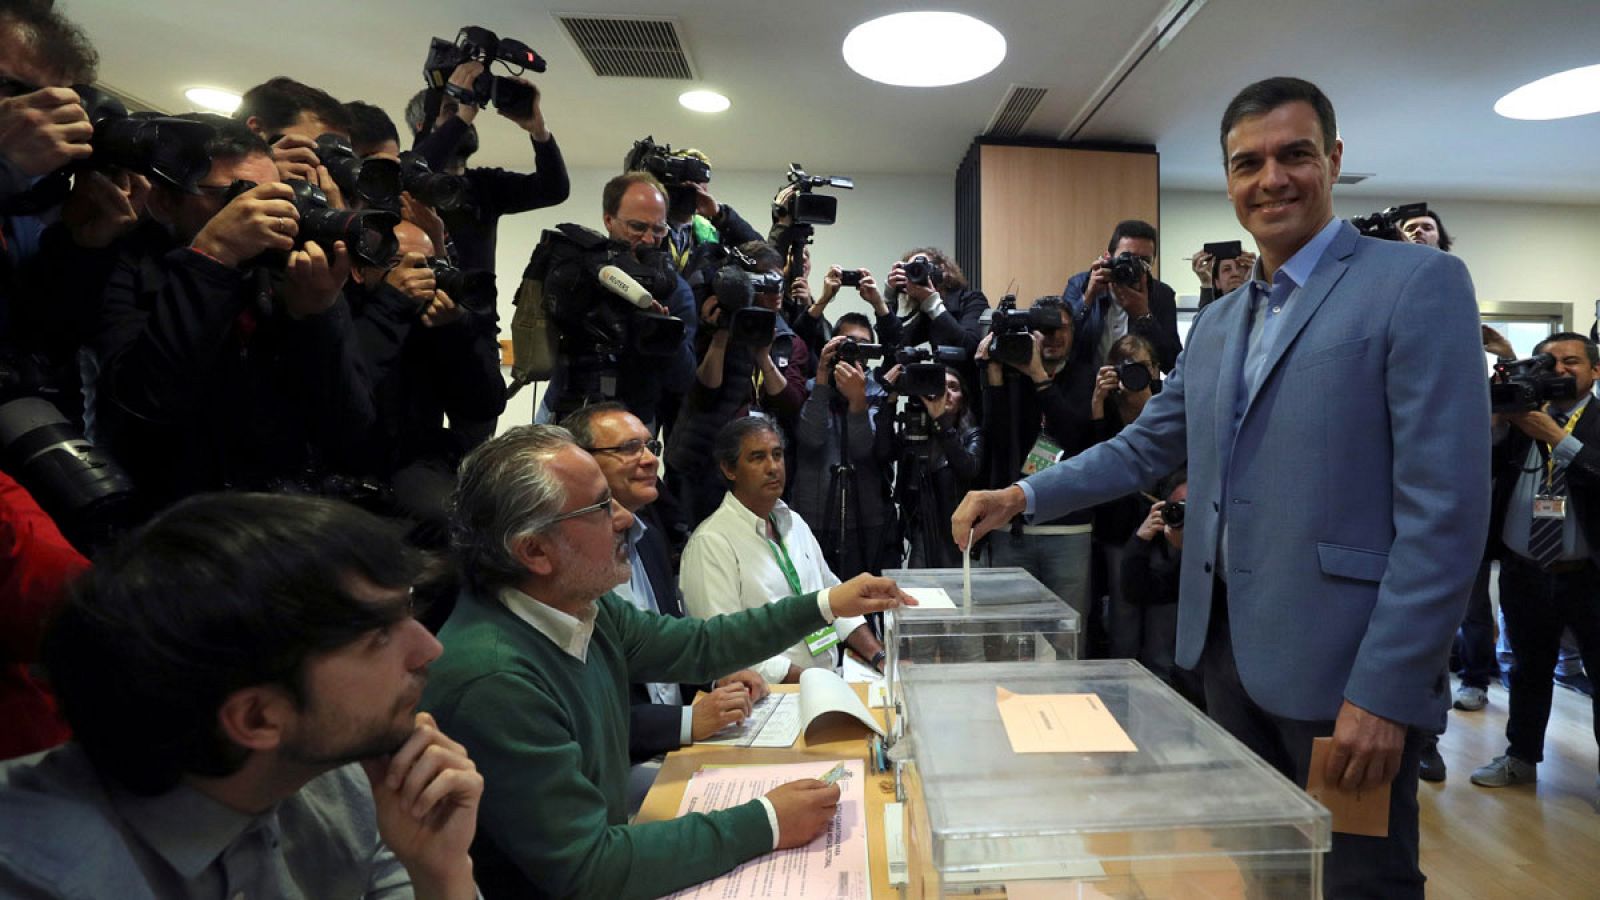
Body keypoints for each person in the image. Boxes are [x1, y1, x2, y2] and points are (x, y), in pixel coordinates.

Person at [954, 76, 1489, 897]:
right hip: (1224, 657)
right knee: (1266, 870)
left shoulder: (1415, 285)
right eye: (1249, 163)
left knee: (1358, 881)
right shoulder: (1223, 322)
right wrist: (1022, 496)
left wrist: (1386, 690)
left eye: (1294, 155)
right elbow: (1141, 450)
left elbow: (1445, 510)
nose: (1271, 179)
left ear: (1334, 160)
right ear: (1231, 179)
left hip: (1344, 673)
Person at [426, 424, 909, 899]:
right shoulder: (495, 680)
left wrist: (826, 602)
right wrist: (765, 821)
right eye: (599, 507)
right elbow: (590, 868)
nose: (624, 518)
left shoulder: (576, 605)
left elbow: (697, 644)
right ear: (534, 550)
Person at [0, 492, 484, 899]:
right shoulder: (39, 876)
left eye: (406, 611)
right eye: (377, 637)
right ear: (256, 719)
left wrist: (441, 871)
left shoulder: (339, 774)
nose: (430, 648)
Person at [89, 118, 372, 510]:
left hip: (275, 510)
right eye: (239, 196)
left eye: (277, 195)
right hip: (167, 511)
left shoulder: (283, 271)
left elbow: (350, 430)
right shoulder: (125, 264)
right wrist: (213, 255)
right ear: (166, 202)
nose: (263, 212)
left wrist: (315, 316)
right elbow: (149, 403)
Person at [559, 403, 766, 771]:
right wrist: (688, 721)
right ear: (580, 463)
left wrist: (716, 675)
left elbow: (672, 646)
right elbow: (588, 713)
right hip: (629, 762)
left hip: (682, 745)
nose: (651, 460)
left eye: (651, 447)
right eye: (628, 449)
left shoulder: (651, 540)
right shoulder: (570, 565)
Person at [1470, 332, 1600, 790]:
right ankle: (1521, 758)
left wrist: (1559, 439)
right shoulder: (1519, 417)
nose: (1559, 370)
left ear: (1595, 371)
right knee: (1526, 671)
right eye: (1547, 362)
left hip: (1588, 576)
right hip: (1525, 570)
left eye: (1571, 362)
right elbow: (1475, 464)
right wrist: (1499, 419)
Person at [680, 416, 889, 684]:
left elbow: (835, 597)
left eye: (777, 455)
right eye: (757, 458)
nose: (773, 467)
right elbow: (725, 648)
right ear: (729, 469)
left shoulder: (794, 523)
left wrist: (880, 658)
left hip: (828, 681)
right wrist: (818, 685)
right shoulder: (711, 543)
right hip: (770, 697)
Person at [977, 296, 1095, 655]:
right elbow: (995, 441)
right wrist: (995, 378)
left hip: (1069, 528)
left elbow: (1075, 437)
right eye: (1044, 329)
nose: (1054, 337)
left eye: (1061, 328)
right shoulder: (1012, 373)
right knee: (1008, 639)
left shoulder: (1085, 375)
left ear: (1074, 331)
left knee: (1067, 638)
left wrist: (1040, 379)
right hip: (1012, 525)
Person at [536, 172, 697, 428]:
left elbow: (683, 380)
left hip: (634, 421)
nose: (648, 239)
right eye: (637, 227)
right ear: (608, 220)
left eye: (658, 230)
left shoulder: (674, 290)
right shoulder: (576, 270)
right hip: (564, 410)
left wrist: (664, 333)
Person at [404, 62, 570, 274]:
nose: (467, 118)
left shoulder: (485, 185)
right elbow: (414, 172)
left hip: (479, 305)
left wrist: (538, 130)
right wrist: (462, 116)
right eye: (450, 110)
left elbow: (554, 190)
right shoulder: (407, 184)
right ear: (424, 127)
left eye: (464, 108)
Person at [792, 318, 894, 579]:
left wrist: (858, 401)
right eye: (847, 344)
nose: (853, 353)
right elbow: (811, 438)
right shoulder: (814, 389)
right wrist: (823, 379)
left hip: (865, 518)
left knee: (865, 601)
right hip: (814, 517)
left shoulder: (879, 393)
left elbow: (862, 450)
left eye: (862, 345)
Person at [876, 363, 982, 568]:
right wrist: (890, 400)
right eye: (941, 387)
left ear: (963, 399)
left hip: (956, 535)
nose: (946, 393)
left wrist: (940, 420)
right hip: (920, 533)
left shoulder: (971, 434)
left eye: (953, 387)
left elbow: (968, 468)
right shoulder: (917, 431)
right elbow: (883, 453)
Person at [1062, 220, 1182, 372]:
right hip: (1086, 389)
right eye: (1127, 257)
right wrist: (1087, 299)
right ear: (1108, 257)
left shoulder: (1162, 295)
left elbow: (1171, 363)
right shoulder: (1081, 284)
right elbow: (1062, 342)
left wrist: (1144, 316)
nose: (1135, 265)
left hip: (1137, 388)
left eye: (1144, 261)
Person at [1192, 245, 1256, 308]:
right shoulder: (1213, 313)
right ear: (1217, 282)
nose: (1235, 273)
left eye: (1240, 267)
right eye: (1227, 269)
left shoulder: (1260, 304)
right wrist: (1206, 283)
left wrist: (1257, 275)